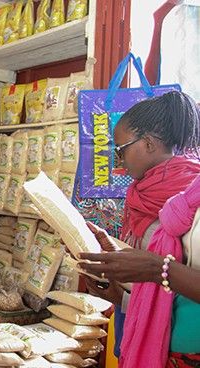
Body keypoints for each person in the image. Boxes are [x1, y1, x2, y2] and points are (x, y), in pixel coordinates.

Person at [79, 90, 200, 366]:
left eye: (120, 150)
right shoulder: (142, 194)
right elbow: (157, 284)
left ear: (147, 143)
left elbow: (167, 276)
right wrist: (114, 275)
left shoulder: (186, 198)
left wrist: (157, 269)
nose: (118, 161)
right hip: (147, 333)